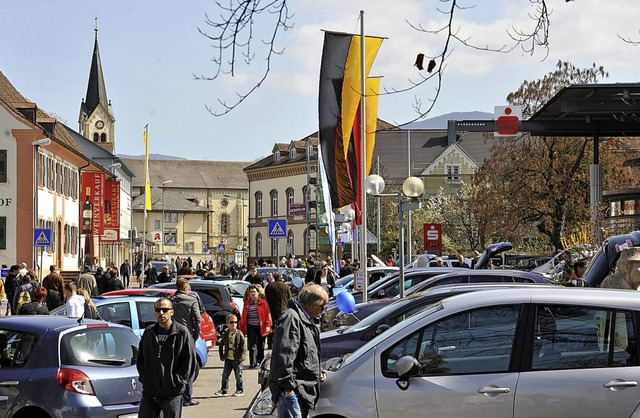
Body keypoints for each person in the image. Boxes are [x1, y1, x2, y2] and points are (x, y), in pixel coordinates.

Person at [269, 284, 329, 418]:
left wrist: (318, 371)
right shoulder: (291, 318)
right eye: (322, 306)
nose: (323, 310)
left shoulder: (304, 319)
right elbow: (283, 356)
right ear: (312, 304)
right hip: (292, 393)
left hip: (299, 392)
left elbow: (306, 354)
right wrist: (288, 388)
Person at [137, 297, 196, 418]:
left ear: (172, 312)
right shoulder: (149, 332)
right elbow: (141, 358)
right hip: (150, 392)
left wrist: (178, 382)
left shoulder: (181, 332)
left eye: (165, 309)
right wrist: (145, 378)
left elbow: (189, 361)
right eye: (158, 310)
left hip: (171, 393)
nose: (161, 313)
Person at [171, 278, 202, 407]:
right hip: (187, 336)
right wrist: (195, 334)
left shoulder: (171, 301)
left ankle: (176, 394)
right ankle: (187, 396)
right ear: (185, 288)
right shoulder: (192, 300)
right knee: (189, 366)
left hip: (173, 335)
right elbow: (197, 320)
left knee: (174, 364)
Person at [238, 284, 272, 368]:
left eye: (254, 292)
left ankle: (260, 362)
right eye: (250, 292)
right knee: (252, 344)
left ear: (258, 293)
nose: (252, 294)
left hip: (261, 326)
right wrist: (241, 326)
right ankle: (252, 363)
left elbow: (268, 315)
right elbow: (244, 316)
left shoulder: (263, 303)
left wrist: (268, 325)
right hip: (251, 326)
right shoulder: (247, 303)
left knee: (260, 344)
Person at [215, 314, 247, 397]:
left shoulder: (239, 334)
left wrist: (243, 356)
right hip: (228, 358)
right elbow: (221, 345)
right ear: (227, 324)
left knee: (238, 375)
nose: (234, 324)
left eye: (235, 322)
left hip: (237, 359)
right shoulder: (225, 334)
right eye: (231, 322)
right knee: (225, 375)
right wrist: (221, 355)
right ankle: (224, 389)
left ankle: (240, 389)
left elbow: (244, 346)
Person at [264, 275, 291, 349]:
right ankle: (282, 342)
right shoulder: (285, 286)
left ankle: (270, 343)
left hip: (272, 309)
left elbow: (265, 298)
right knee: (283, 327)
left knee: (271, 327)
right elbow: (290, 298)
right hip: (283, 309)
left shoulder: (269, 286)